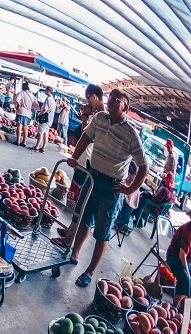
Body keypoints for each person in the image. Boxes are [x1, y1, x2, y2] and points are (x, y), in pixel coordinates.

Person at [63, 89, 149, 287]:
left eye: (117, 100)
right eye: (110, 99)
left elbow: (144, 167)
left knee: (102, 232)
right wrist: (74, 157)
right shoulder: (100, 118)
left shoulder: (131, 134)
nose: (111, 102)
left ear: (126, 107)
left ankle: (90, 271)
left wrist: (128, 189)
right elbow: (85, 138)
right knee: (83, 220)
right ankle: (74, 254)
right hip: (92, 177)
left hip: (111, 189)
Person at [56, 84, 106, 242]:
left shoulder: (102, 116)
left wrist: (85, 117)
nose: (87, 103)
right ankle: (70, 231)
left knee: (82, 204)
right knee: (80, 204)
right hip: (85, 160)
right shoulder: (97, 114)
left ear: (94, 97)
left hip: (89, 162)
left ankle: (70, 237)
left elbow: (87, 135)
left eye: (88, 98)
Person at [166, 219, 191, 310]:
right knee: (186, 280)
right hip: (174, 258)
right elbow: (182, 256)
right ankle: (175, 307)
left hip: (187, 260)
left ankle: (184, 308)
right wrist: (188, 274)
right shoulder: (188, 231)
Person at [13, 82, 38, 147]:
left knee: (19, 126)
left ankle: (18, 140)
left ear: (22, 87)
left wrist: (18, 107)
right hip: (28, 113)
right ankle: (24, 142)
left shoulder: (21, 93)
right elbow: (36, 105)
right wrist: (31, 109)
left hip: (21, 111)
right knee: (26, 127)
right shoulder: (32, 95)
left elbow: (17, 100)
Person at [32, 86, 56, 153]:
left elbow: (45, 109)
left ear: (48, 91)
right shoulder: (53, 100)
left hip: (45, 118)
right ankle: (43, 148)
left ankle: (36, 147)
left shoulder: (48, 99)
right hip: (49, 119)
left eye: (46, 90)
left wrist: (39, 114)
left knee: (40, 133)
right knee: (46, 133)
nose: (45, 91)